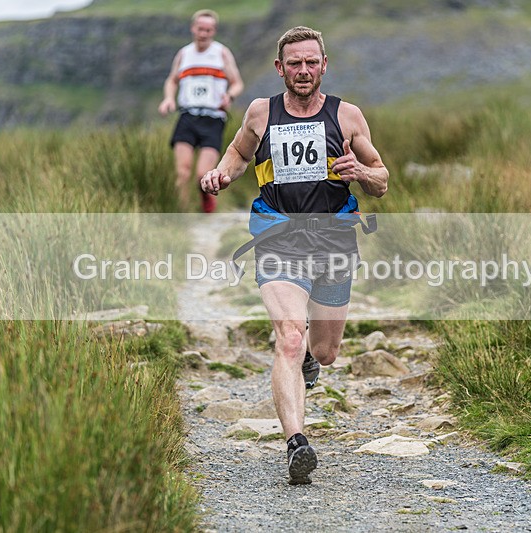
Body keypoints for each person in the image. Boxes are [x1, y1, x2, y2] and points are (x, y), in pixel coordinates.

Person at [200, 26, 388, 484]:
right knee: (287, 334)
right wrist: (221, 174)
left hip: (334, 239)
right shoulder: (260, 112)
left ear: (324, 66)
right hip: (277, 235)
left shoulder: (348, 117)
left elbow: (382, 180)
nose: (303, 71)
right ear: (279, 68)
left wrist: (361, 170)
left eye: (311, 62)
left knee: (324, 352)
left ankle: (308, 355)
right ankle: (296, 443)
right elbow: (239, 153)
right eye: (294, 63)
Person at [158, 9, 243, 213]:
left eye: (208, 30)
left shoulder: (221, 53)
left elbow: (237, 83)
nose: (203, 33)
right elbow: (172, 80)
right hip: (188, 115)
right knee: (182, 171)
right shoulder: (184, 54)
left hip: (213, 118)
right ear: (193, 28)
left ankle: (206, 201)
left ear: (213, 31)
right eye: (200, 29)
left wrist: (229, 96)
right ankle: (181, 213)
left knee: (202, 174)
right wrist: (169, 98)